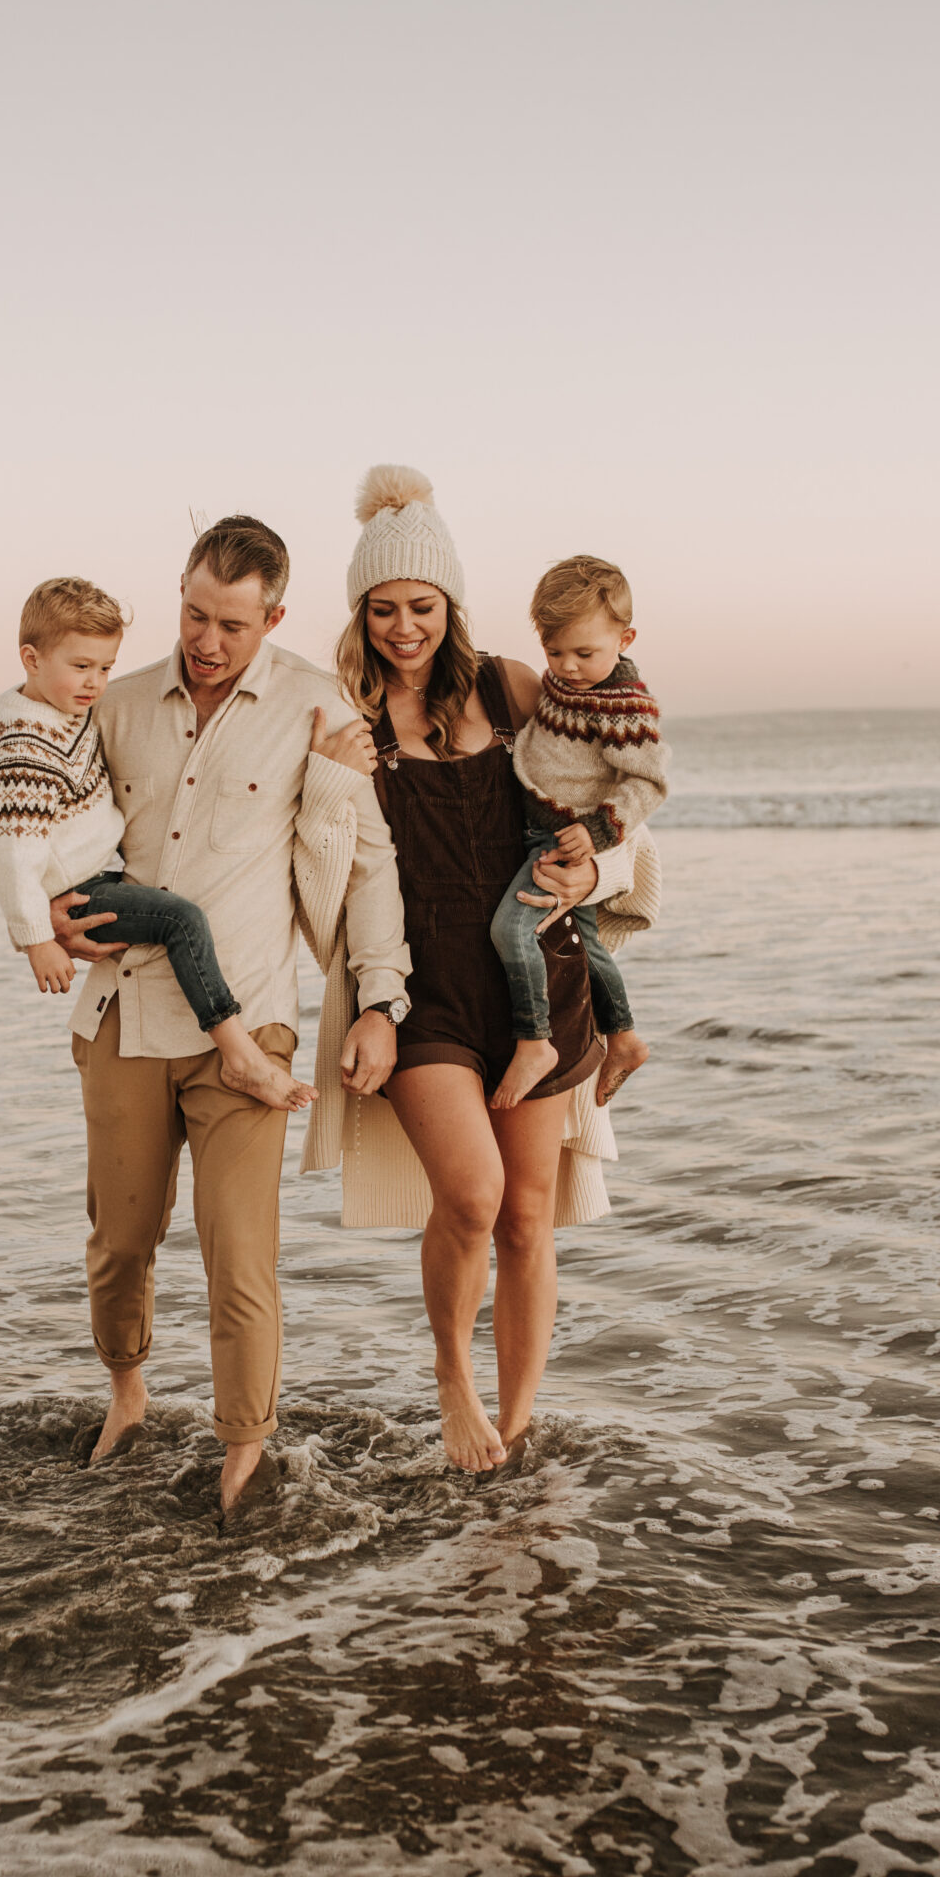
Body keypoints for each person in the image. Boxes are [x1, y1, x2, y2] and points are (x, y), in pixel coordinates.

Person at [48, 515, 409, 1514]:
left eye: (232, 625)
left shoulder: (315, 709)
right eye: (194, 614)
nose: (207, 641)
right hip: (122, 1013)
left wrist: (381, 999)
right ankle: (128, 1394)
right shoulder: (112, 705)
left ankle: (243, 1452)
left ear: (275, 618)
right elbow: (56, 829)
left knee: (237, 1254)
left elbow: (369, 862)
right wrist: (55, 916)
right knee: (120, 1238)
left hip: (249, 1026)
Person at [318, 466, 647, 1475]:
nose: (403, 627)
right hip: (420, 996)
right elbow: (328, 876)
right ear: (360, 614)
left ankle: (518, 1421)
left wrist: (601, 864)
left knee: (526, 1212)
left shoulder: (513, 689)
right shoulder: (346, 722)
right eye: (383, 609)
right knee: (469, 1195)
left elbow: (619, 804)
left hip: (534, 980)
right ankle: (453, 1382)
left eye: (421, 605)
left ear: (450, 604)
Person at [0, 575, 315, 1112]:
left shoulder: (57, 710)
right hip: (80, 889)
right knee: (181, 921)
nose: (95, 683)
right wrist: (36, 937)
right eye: (80, 666)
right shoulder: (24, 747)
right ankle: (240, 1054)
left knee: (173, 919)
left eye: (106, 668)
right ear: (31, 659)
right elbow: (9, 852)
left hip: (95, 876)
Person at [490, 555, 667, 1109]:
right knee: (586, 948)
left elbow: (648, 783)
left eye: (584, 652)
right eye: (554, 651)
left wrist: (595, 833)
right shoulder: (569, 685)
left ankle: (535, 1040)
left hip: (564, 843)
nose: (567, 666)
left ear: (625, 637)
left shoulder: (621, 704)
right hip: (542, 830)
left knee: (511, 931)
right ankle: (625, 1038)